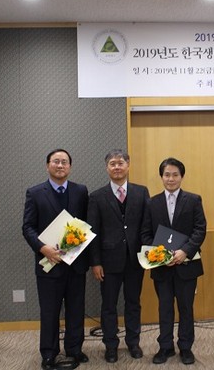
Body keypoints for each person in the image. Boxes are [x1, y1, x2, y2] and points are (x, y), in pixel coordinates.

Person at [22, 149, 89, 370]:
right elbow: (28, 227)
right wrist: (43, 248)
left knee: (76, 309)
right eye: (56, 161)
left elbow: (87, 223)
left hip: (76, 263)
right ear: (47, 165)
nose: (60, 165)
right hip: (49, 263)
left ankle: (74, 349)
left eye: (64, 162)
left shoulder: (81, 191)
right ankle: (49, 353)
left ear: (70, 166)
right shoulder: (35, 193)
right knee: (50, 311)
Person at [141, 158, 206, 365]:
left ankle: (185, 347)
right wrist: (161, 256)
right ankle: (165, 347)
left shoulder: (193, 200)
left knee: (186, 308)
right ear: (161, 177)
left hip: (186, 264)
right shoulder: (151, 203)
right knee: (165, 308)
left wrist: (184, 251)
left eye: (175, 175)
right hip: (162, 267)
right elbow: (145, 234)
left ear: (181, 176)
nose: (171, 179)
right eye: (167, 175)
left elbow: (200, 230)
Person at [87, 149, 150, 363]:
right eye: (112, 163)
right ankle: (111, 345)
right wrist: (95, 262)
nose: (117, 167)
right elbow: (93, 232)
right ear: (107, 168)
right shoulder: (96, 196)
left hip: (135, 260)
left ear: (128, 165)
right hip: (108, 262)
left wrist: (147, 254)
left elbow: (146, 226)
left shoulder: (141, 192)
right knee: (109, 306)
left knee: (133, 303)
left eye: (120, 163)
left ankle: (133, 342)